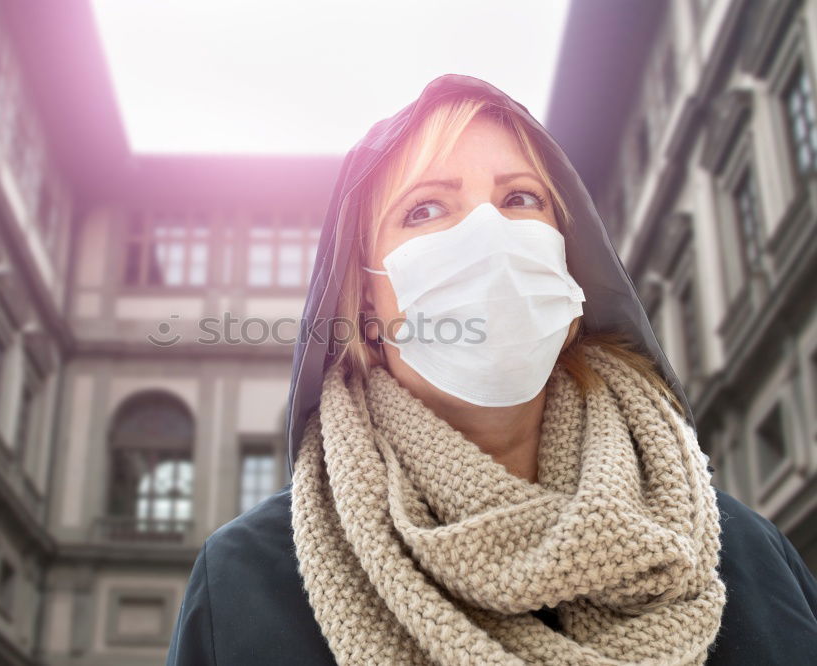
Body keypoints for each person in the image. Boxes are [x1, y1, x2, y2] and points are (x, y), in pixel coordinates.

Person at [166, 74, 817, 665]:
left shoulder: (744, 555)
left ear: (570, 262)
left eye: (520, 199)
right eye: (425, 209)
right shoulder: (247, 584)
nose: (489, 232)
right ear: (364, 299)